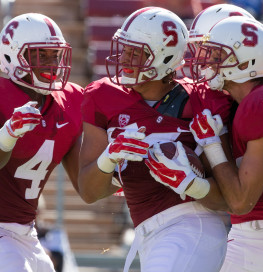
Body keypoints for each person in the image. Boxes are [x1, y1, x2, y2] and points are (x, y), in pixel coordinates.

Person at [78, 7, 232, 272]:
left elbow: (230, 198)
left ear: (166, 57)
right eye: (124, 48)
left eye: (136, 52)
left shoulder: (200, 100)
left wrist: (190, 183)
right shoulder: (103, 96)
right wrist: (108, 158)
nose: (125, 58)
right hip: (148, 233)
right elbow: (89, 193)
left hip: (194, 225)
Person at [0, 13, 83, 272]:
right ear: (12, 55)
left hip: (26, 231)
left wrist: (112, 166)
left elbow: (86, 184)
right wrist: (7, 135)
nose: (52, 64)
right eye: (41, 55)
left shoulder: (71, 100)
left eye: (55, 55)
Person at [188, 15, 263, 271]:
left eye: (217, 56)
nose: (207, 62)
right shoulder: (253, 102)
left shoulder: (259, 104)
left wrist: (212, 145)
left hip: (261, 236)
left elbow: (241, 201)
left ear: (245, 61)